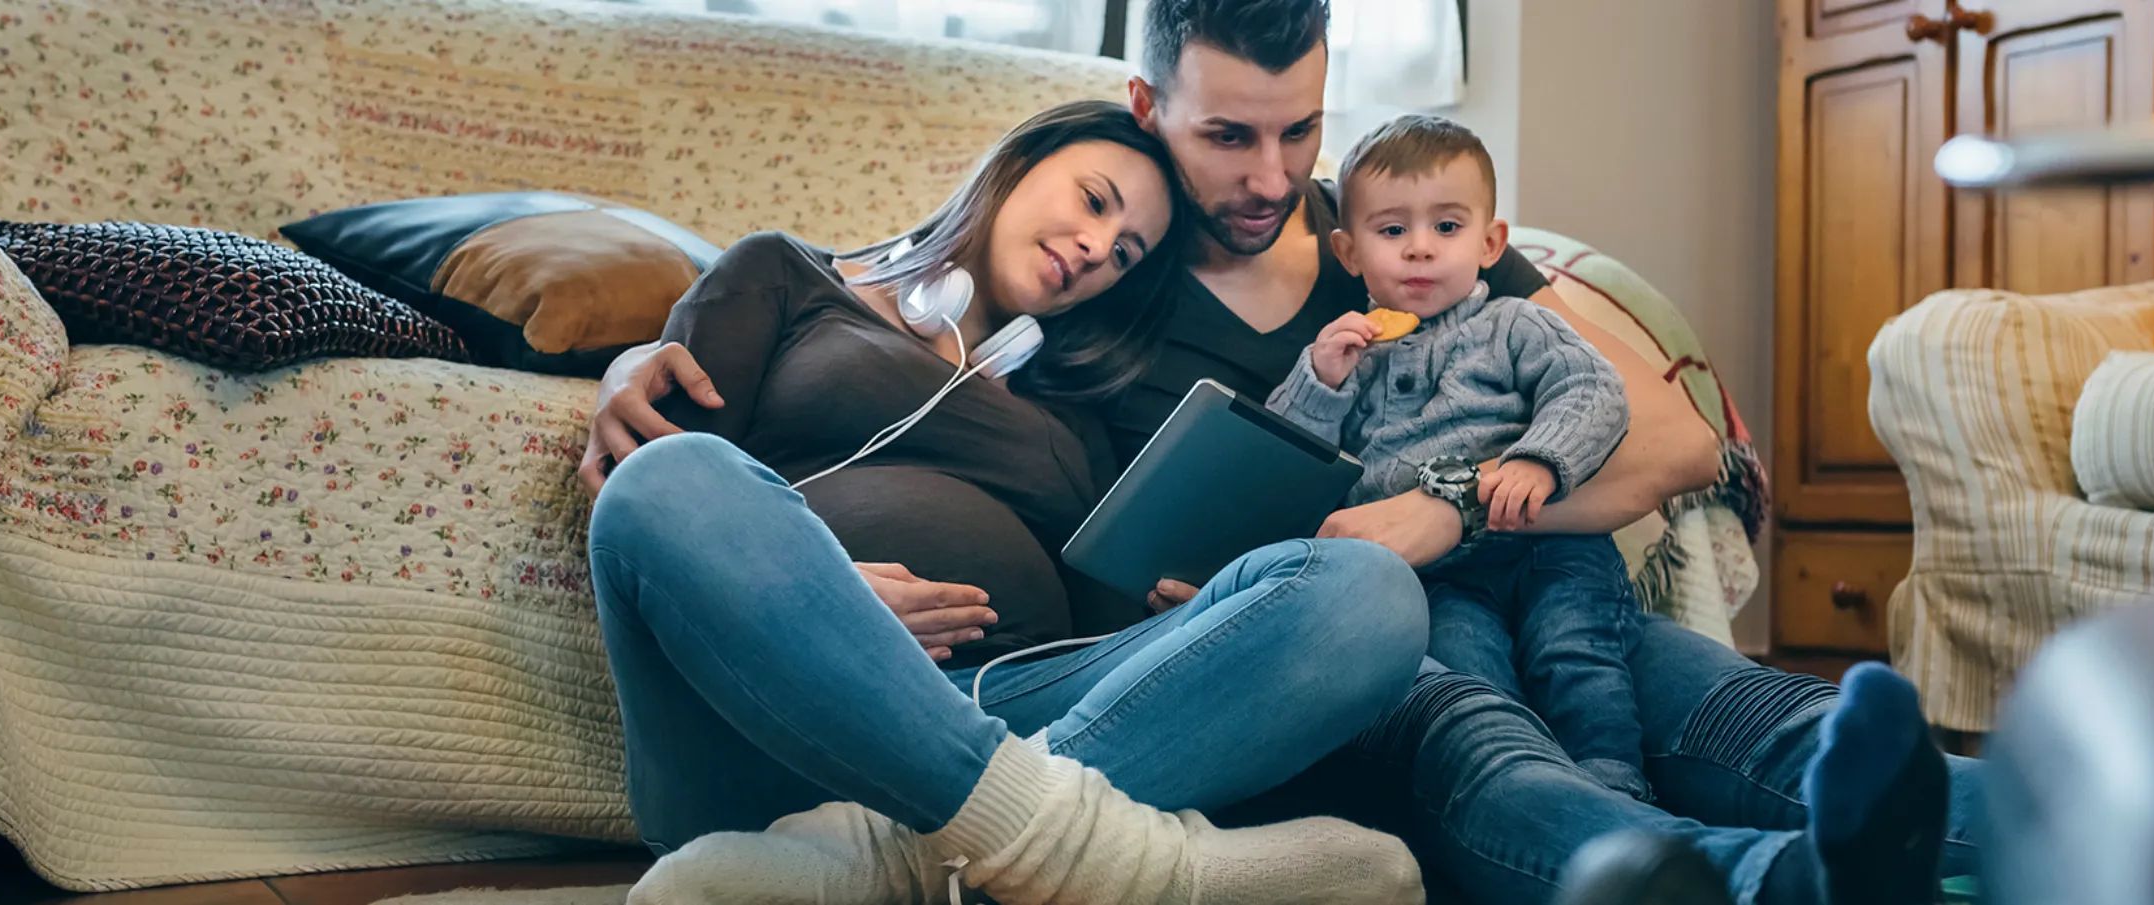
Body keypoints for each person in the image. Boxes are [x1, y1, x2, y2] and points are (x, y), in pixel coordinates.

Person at [582, 4, 1982, 904]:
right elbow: (732, 397)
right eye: (1227, 137)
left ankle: (2111, 824)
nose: (1268, 178)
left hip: (1451, 587)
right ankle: (1064, 858)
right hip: (1201, 659)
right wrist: (641, 383)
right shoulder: (1096, 315)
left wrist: (1438, 514)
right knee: (1438, 696)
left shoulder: (1394, 237)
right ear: (1145, 113)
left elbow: (1674, 434)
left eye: (1300, 129)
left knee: (1723, 704)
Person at [585, 100, 1433, 905]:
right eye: (1094, 201)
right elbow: (658, 510)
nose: (1100, 246)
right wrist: (818, 597)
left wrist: (1201, 608)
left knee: (1368, 592)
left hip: (1023, 710)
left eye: (1127, 251)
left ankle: (897, 862)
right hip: (776, 723)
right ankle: (1115, 862)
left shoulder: (1080, 403)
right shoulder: (785, 276)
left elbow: (1108, 631)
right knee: (669, 481)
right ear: (1019, 162)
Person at [1264, 113, 1653, 801]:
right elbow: (1281, 461)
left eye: (1446, 227)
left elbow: (1594, 389)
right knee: (1469, 676)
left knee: (1575, 655)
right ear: (1350, 252)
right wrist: (1318, 381)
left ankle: (1613, 784)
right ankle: (1521, 789)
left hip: (1550, 545)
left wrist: (1536, 461)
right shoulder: (1349, 353)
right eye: (1392, 231)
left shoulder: (1514, 322)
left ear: (1490, 241)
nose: (1420, 249)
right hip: (1440, 577)